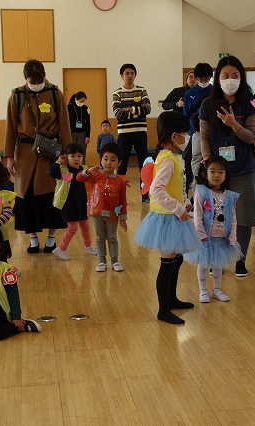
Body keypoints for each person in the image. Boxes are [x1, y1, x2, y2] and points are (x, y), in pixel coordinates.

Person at [134, 111, 201, 324]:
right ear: (174, 135)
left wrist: (184, 201)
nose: (187, 137)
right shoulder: (168, 160)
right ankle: (163, 310)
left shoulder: (173, 157)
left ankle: (172, 300)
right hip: (166, 218)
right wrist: (178, 209)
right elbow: (156, 190)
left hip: (174, 216)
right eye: (184, 133)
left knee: (176, 259)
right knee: (168, 262)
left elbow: (176, 187)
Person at [199, 55, 255, 277]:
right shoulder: (207, 104)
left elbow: (251, 137)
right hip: (217, 171)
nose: (230, 79)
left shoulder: (251, 102)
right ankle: (219, 260)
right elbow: (204, 135)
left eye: (235, 75)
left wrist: (234, 124)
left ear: (241, 77)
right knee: (215, 217)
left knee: (243, 218)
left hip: (243, 168)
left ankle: (240, 260)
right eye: (225, 75)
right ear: (218, 78)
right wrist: (207, 160)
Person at [4, 59, 71, 254]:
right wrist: (9, 156)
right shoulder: (16, 96)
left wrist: (67, 152)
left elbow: (64, 124)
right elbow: (10, 127)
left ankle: (51, 238)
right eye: (32, 80)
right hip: (25, 152)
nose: (36, 83)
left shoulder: (55, 93)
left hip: (50, 152)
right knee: (26, 195)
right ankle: (33, 238)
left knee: (52, 194)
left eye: (39, 80)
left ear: (44, 76)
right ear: (25, 78)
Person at [184, 156, 241, 303]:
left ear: (226, 175)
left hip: (222, 238)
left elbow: (233, 218)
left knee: (218, 265)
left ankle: (216, 290)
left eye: (221, 172)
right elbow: (197, 215)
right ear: (205, 173)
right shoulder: (201, 192)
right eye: (212, 171)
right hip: (205, 238)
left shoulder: (229, 196)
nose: (216, 175)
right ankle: (203, 290)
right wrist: (201, 233)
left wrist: (232, 236)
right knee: (203, 264)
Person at [77, 142, 128, 272]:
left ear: (119, 162)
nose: (108, 162)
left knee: (112, 238)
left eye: (113, 160)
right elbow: (79, 178)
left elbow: (123, 200)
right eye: (105, 159)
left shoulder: (121, 181)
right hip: (97, 213)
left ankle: (115, 261)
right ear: (101, 160)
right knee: (100, 238)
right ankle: (101, 261)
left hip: (112, 215)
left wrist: (123, 218)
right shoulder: (96, 176)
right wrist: (88, 171)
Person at [48, 143, 97, 260]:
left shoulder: (83, 169)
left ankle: (88, 245)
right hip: (69, 204)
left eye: (79, 156)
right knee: (73, 228)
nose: (76, 159)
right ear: (67, 157)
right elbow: (52, 172)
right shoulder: (63, 169)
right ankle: (61, 249)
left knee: (85, 225)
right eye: (72, 156)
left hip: (81, 203)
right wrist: (59, 161)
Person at [112, 63, 151, 201]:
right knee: (122, 165)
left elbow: (147, 109)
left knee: (143, 165)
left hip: (140, 131)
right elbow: (118, 114)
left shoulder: (141, 90)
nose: (130, 76)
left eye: (132, 73)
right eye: (127, 73)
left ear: (135, 75)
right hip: (124, 133)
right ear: (121, 76)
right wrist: (137, 110)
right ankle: (119, 196)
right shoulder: (117, 93)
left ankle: (145, 195)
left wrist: (128, 109)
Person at [183, 63, 214, 191]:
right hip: (194, 132)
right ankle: (187, 188)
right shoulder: (189, 93)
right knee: (188, 158)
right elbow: (186, 114)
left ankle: (211, 187)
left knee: (211, 159)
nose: (203, 81)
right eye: (200, 79)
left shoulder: (215, 92)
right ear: (196, 78)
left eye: (206, 78)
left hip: (211, 133)